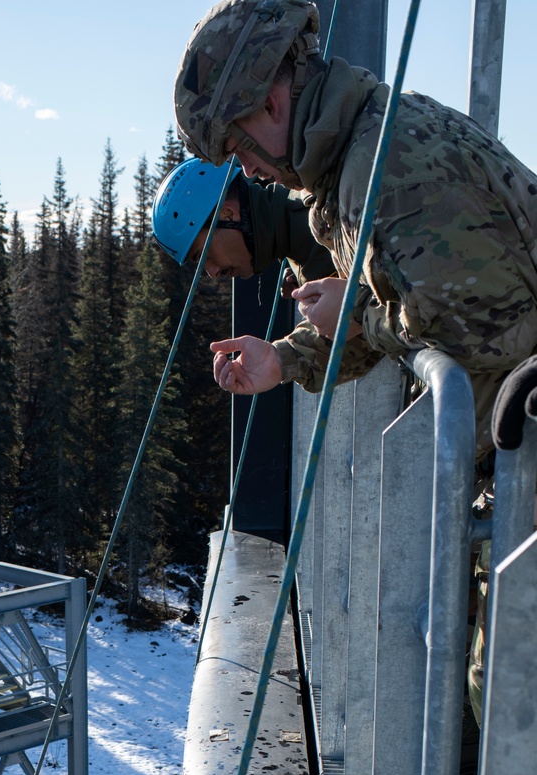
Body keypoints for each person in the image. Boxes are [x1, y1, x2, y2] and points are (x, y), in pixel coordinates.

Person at [171, 0, 537, 458]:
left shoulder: (390, 167)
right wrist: (282, 359)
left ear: (269, 104)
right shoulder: (347, 164)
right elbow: (408, 316)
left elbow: (494, 331)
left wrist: (359, 312)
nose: (247, 171)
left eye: (237, 148)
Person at [152, 156, 334, 287]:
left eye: (204, 255)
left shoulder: (321, 221)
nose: (214, 273)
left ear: (228, 214)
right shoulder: (290, 234)